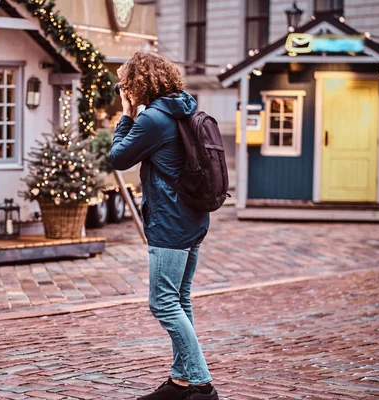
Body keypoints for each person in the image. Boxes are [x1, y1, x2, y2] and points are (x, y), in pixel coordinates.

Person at [110, 52, 219, 400]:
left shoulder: (153, 120)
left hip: (170, 224)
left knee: (162, 303)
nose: (123, 89)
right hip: (192, 218)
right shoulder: (183, 108)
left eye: (126, 83)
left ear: (139, 83)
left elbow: (118, 158)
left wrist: (125, 115)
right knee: (180, 299)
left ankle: (201, 384)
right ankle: (180, 381)